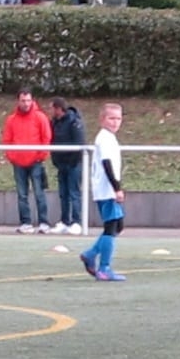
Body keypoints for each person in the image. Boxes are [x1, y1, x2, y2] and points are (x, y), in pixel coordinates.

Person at [79, 103, 126, 282]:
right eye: (111, 118)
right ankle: (104, 268)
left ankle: (90, 254)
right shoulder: (104, 138)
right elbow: (107, 164)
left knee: (118, 225)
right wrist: (117, 188)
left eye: (118, 118)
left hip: (107, 189)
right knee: (111, 226)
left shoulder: (109, 138)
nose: (115, 122)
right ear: (102, 119)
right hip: (106, 190)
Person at [1, 88, 53, 233]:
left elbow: (46, 137)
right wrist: (12, 157)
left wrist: (41, 156)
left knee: (39, 193)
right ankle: (26, 222)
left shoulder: (40, 117)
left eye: (28, 100)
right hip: (18, 162)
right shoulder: (11, 120)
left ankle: (44, 222)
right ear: (18, 101)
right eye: (23, 101)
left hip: (36, 161)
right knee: (22, 194)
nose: (26, 104)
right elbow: (7, 140)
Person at [48, 96, 85, 234]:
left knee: (74, 193)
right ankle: (64, 221)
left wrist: (72, 161)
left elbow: (79, 143)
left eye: (52, 108)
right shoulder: (54, 122)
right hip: (61, 164)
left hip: (73, 164)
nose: (50, 111)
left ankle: (76, 222)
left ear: (58, 109)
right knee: (63, 194)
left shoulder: (74, 121)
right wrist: (56, 160)